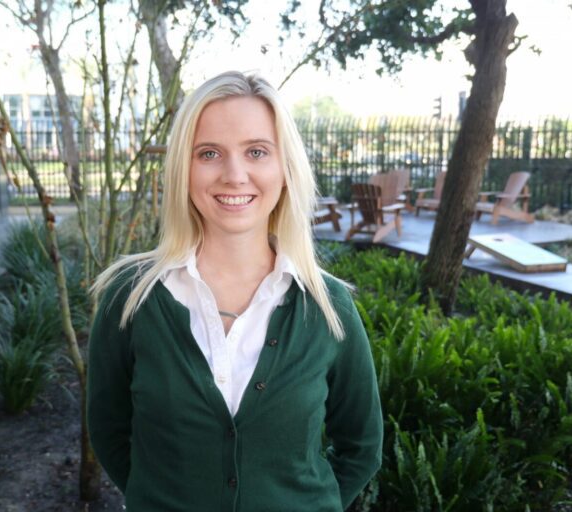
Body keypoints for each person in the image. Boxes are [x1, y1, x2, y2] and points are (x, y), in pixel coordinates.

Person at [86, 70, 382, 512]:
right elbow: (109, 430)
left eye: (257, 151)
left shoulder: (327, 306)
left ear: (285, 169)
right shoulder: (130, 298)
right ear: (183, 170)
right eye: (209, 153)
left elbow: (362, 445)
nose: (234, 174)